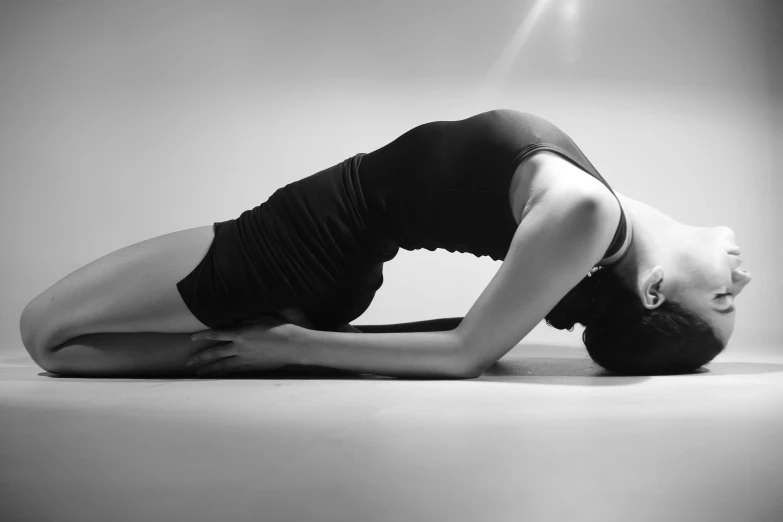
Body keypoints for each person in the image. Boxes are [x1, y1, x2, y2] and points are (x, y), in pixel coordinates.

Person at [19, 109, 752, 379]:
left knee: (45, 336)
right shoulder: (594, 217)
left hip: (296, 247)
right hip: (313, 245)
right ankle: (236, 352)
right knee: (56, 343)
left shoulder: (582, 213)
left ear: (652, 289)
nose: (740, 281)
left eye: (719, 298)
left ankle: (248, 348)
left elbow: (467, 352)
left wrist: (288, 347)